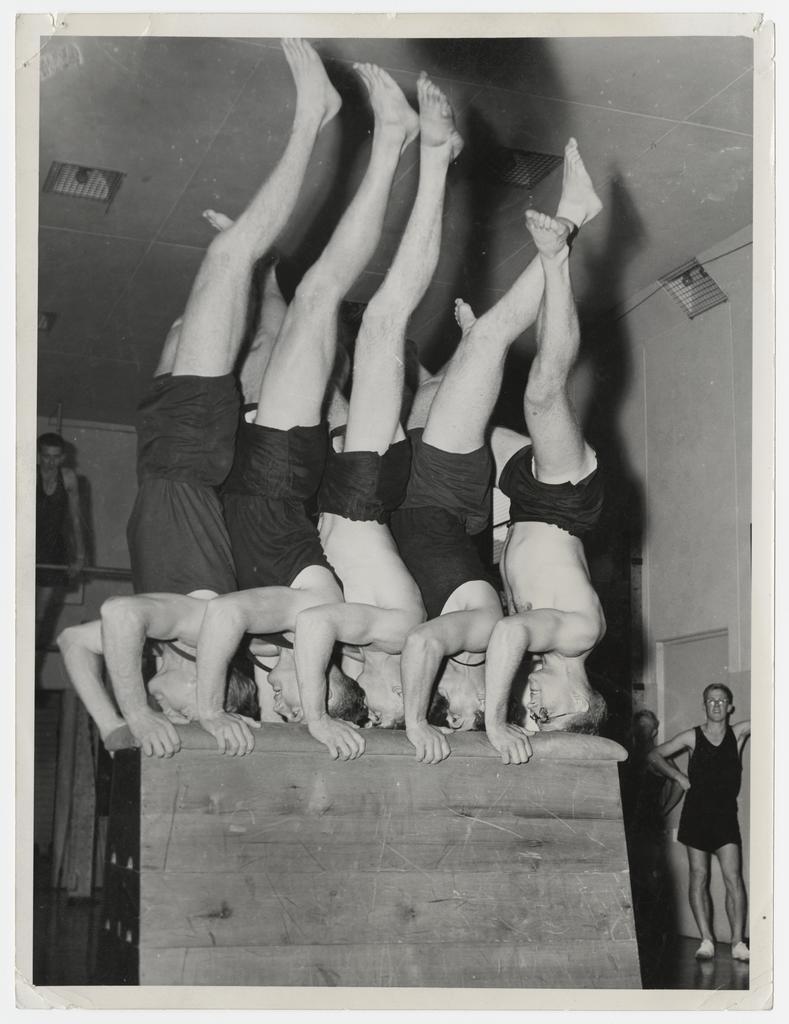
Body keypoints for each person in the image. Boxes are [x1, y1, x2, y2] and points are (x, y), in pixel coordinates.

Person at [57, 39, 340, 756]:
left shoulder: (168, 633)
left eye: (160, 708)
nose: (161, 704)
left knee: (191, 322)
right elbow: (116, 617)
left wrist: (115, 725)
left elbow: (71, 641)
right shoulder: (190, 625)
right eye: (172, 708)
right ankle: (312, 117)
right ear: (211, 691)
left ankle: (256, 258)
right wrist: (153, 715)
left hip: (167, 454)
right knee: (228, 257)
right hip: (188, 455)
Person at [193, 61, 422, 757]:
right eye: (293, 701)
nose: (279, 698)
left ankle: (361, 144)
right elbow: (229, 614)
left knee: (286, 321)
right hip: (280, 470)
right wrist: (312, 719)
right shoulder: (312, 613)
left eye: (280, 705)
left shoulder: (287, 631)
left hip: (257, 469)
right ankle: (389, 141)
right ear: (323, 682)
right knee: (322, 294)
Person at [293, 72, 462, 758]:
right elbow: (315, 627)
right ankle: (432, 158)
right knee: (385, 318)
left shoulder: (371, 647)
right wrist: (410, 723)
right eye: (380, 707)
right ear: (406, 694)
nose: (366, 698)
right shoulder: (398, 635)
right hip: (363, 495)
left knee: (352, 343)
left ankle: (409, 145)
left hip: (348, 491)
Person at [477, 152, 608, 765]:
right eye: (545, 714)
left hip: (525, 504)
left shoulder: (550, 649)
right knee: (543, 392)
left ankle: (468, 345)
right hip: (564, 501)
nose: (532, 708)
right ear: (579, 703)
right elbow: (509, 630)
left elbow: (515, 581)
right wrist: (496, 722)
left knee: (452, 429)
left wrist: (501, 534)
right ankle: (561, 248)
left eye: (530, 717)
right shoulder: (579, 636)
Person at [647, 684, 751, 962]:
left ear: (730, 706)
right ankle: (706, 940)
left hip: (725, 818)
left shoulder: (739, 733)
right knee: (699, 876)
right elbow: (654, 755)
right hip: (695, 816)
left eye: (722, 700)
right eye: (711, 700)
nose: (716, 705)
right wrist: (678, 777)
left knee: (733, 879)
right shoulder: (692, 737)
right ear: (704, 705)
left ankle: (738, 942)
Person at [35, 432, 86, 648]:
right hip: (26, 549)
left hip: (52, 551)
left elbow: (76, 519)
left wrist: (80, 557)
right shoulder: (26, 472)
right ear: (39, 456)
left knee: (38, 615)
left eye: (55, 457)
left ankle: (30, 663)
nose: (50, 462)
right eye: (46, 456)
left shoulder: (68, 477)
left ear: (63, 457)